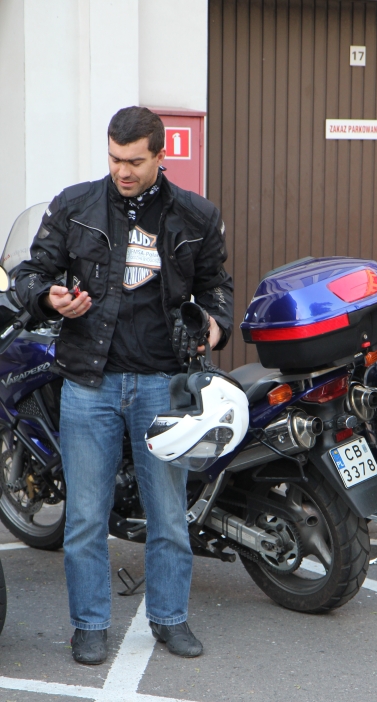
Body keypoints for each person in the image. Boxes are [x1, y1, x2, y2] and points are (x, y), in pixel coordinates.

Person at [16, 106, 233, 664]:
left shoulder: (196, 215)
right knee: (86, 517)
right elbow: (30, 275)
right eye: (115, 159)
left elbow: (217, 287)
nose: (123, 171)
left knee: (169, 516)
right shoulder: (74, 205)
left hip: (162, 384)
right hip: (89, 383)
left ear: (161, 156)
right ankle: (89, 625)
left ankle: (171, 619)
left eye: (135, 161)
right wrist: (49, 298)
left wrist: (214, 325)